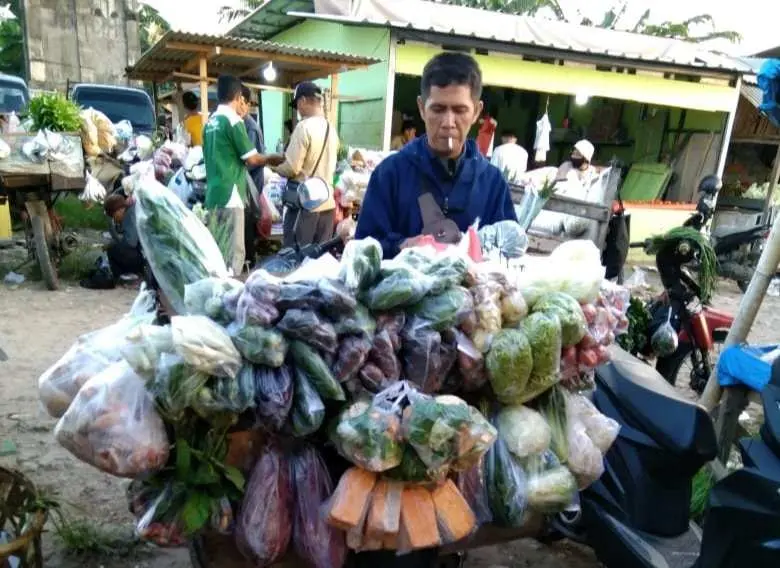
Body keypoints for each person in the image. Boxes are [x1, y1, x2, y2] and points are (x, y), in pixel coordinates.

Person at [355, 52, 517, 258]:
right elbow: (362, 250)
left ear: (476, 111)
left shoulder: (492, 183)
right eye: (438, 109)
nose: (448, 122)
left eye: (460, 110)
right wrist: (403, 245)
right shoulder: (390, 174)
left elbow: (510, 252)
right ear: (422, 108)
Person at [203, 75, 284, 276]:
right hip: (231, 195)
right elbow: (252, 159)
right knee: (234, 256)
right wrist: (273, 158)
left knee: (217, 252)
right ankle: (228, 298)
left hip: (213, 195)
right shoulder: (233, 121)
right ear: (238, 97)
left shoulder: (210, 122)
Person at [272, 81, 340, 247]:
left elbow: (291, 167)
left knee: (295, 257)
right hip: (327, 204)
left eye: (297, 105)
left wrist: (271, 167)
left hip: (305, 205)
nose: (298, 110)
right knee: (319, 259)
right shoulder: (331, 129)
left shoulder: (304, 127)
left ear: (302, 101)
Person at [238, 85, 266, 266]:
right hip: (243, 189)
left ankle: (249, 266)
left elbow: (250, 162)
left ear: (245, 104)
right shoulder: (240, 125)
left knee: (246, 232)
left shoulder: (250, 128)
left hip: (249, 190)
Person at [104, 193, 143, 281]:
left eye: (114, 216)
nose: (115, 219)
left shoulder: (128, 215)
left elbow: (131, 243)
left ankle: (121, 276)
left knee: (112, 249)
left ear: (119, 211)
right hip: (145, 253)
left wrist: (116, 243)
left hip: (142, 256)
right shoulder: (133, 209)